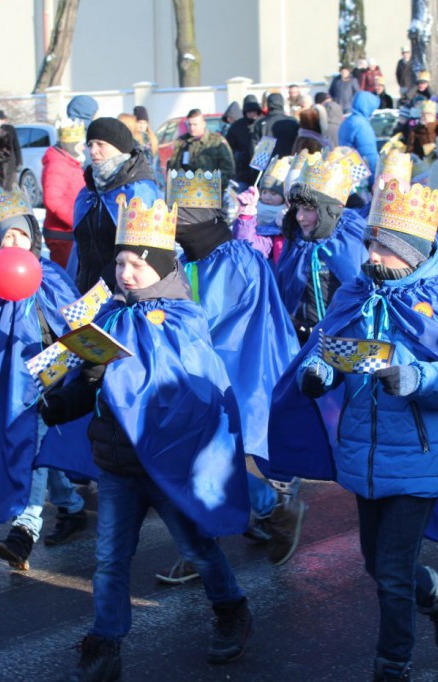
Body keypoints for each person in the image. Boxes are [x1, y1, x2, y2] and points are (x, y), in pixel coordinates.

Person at [270, 180, 438, 682]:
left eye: (384, 246)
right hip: (365, 454)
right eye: (369, 242)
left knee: (389, 572)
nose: (371, 253)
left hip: (420, 456)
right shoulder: (356, 292)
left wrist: (417, 379)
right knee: (378, 564)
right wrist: (321, 375)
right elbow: (331, 352)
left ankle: (393, 664)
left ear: (411, 254)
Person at [41, 197, 253, 679]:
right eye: (120, 262)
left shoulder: (183, 317)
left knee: (197, 547)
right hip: (117, 465)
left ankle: (232, 609)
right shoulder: (110, 314)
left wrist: (106, 373)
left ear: (159, 266)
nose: (126, 273)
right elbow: (92, 386)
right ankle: (105, 644)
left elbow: (175, 387)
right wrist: (59, 400)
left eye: (137, 264)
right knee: (109, 560)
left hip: (166, 462)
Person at [155, 170, 306, 582]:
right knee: (201, 458)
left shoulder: (236, 259)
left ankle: (256, 518)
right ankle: (239, 524)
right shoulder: (190, 260)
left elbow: (218, 320)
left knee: (205, 458)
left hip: (234, 370)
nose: (173, 227)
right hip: (200, 370)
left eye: (178, 218)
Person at [0, 189, 89, 571]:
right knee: (39, 450)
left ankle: (24, 530)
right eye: (6, 237)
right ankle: (72, 506)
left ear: (33, 235)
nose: (15, 244)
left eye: (21, 236)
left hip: (53, 380)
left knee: (35, 448)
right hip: (12, 385)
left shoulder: (51, 276)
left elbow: (73, 320)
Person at [275, 149, 369, 344]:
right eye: (297, 209)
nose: (300, 217)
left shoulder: (351, 239)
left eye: (308, 210)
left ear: (330, 211)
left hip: (346, 339)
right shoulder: (296, 242)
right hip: (303, 339)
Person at [71, 117, 158, 292]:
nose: (93, 151)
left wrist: (106, 289)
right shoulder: (89, 191)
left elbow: (144, 253)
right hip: (86, 292)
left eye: (100, 144)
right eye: (90, 145)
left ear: (119, 147)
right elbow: (80, 251)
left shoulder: (138, 190)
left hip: (123, 291)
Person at [41, 119, 87, 268]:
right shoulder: (58, 164)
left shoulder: (69, 162)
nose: (84, 147)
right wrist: (76, 220)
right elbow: (52, 200)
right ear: (71, 145)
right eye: (81, 143)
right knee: (66, 277)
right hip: (62, 234)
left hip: (68, 232)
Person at [233, 157, 291, 263]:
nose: (267, 197)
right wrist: (247, 215)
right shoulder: (277, 227)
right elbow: (248, 246)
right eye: (264, 192)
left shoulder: (285, 221)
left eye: (273, 194)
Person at [167, 109, 235, 186]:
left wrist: (216, 184)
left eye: (195, 124)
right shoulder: (182, 142)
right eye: (189, 124)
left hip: (211, 190)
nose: (192, 128)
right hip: (187, 190)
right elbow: (174, 167)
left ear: (203, 124)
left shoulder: (217, 141)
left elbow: (228, 169)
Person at [338, 91, 381, 181]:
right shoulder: (362, 125)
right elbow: (369, 155)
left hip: (349, 169)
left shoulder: (348, 121)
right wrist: (374, 180)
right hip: (361, 174)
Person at [226, 96, 263, 188]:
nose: (252, 114)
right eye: (249, 112)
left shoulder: (263, 123)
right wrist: (238, 155)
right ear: (245, 112)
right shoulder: (237, 126)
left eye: (254, 111)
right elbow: (228, 147)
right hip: (243, 170)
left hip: (261, 169)